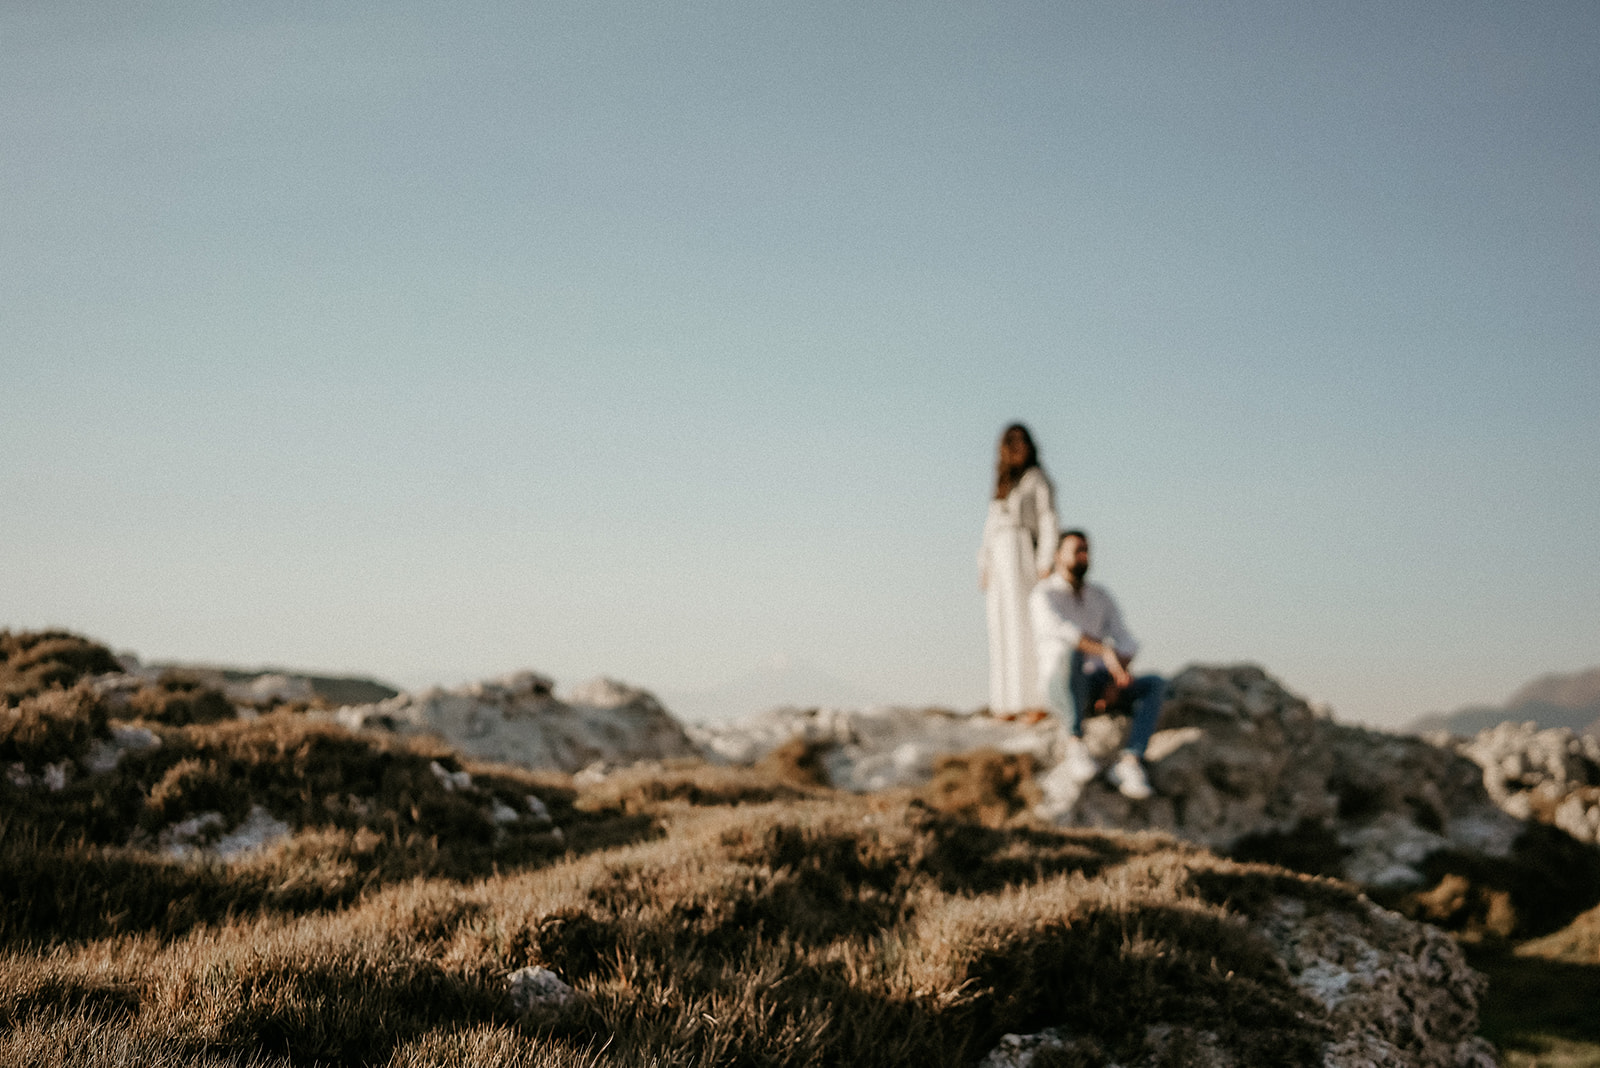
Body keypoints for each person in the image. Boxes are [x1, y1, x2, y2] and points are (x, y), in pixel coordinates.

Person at [1030, 529, 1165, 800]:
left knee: (1154, 684)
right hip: (1062, 685)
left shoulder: (1100, 596)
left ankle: (1129, 762)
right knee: (1072, 656)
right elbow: (1068, 635)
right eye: (1077, 550)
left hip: (1099, 683)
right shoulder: (1043, 595)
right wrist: (1105, 652)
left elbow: (1127, 641)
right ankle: (1074, 743)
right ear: (1058, 556)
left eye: (1087, 550)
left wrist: (1117, 677)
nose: (1084, 556)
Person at [979, 423, 1059, 719]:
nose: (1017, 448)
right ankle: (1006, 703)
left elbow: (1048, 518)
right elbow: (989, 529)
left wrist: (1045, 561)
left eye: (1021, 442)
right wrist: (984, 563)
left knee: (1025, 627)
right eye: (1011, 443)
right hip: (999, 558)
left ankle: (1035, 701)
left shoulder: (1037, 480)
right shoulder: (1002, 485)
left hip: (1022, 553)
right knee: (1000, 627)